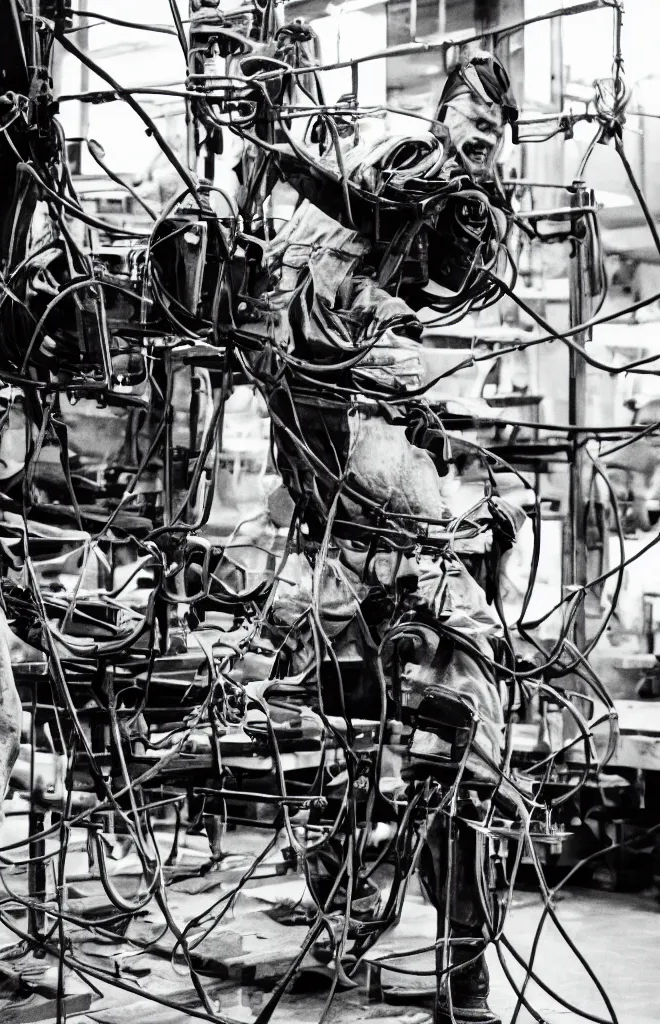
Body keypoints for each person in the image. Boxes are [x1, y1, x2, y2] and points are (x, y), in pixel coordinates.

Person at [259, 50, 520, 1024]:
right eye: (470, 113)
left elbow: (383, 227)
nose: (477, 138)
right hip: (325, 412)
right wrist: (273, 143)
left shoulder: (450, 208)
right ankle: (354, 914)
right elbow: (360, 212)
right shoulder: (410, 168)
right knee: (378, 732)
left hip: (336, 423)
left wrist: (272, 139)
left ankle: (449, 966)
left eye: (492, 127)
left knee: (431, 758)